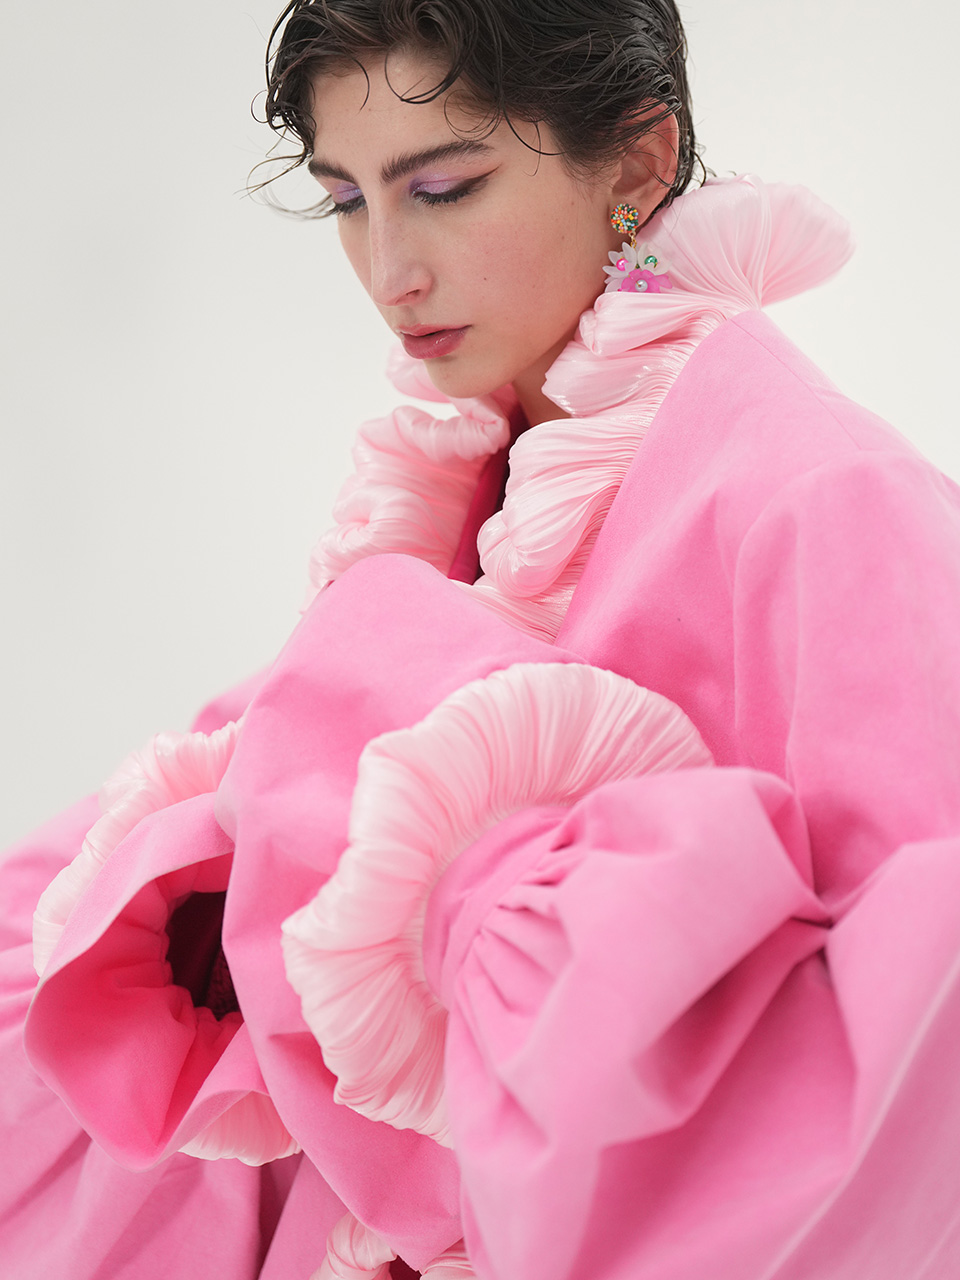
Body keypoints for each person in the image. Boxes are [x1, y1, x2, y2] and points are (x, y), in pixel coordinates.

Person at [3, 2, 960, 1278]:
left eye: (444, 189)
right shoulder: (471, 474)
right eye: (346, 201)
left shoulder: (826, 499)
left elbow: (918, 1053)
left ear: (637, 163)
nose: (390, 270)